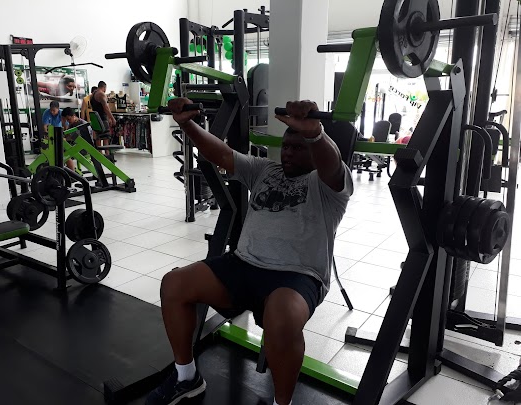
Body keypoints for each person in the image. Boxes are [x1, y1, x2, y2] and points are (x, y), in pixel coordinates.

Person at [146, 98, 353, 405]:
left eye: (298, 147)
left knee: (282, 317)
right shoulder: (264, 170)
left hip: (297, 277)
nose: (288, 152)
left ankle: (281, 403)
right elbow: (222, 154)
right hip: (243, 264)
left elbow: (331, 164)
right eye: (286, 146)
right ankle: (186, 377)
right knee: (174, 284)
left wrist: (315, 134)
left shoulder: (329, 186)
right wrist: (187, 124)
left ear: (313, 149)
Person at [90, 81, 116, 152]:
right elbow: (106, 107)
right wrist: (112, 118)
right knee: (105, 137)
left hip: (96, 119)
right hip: (102, 119)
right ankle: (107, 154)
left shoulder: (93, 94)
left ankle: (99, 154)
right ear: (104, 87)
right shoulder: (101, 94)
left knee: (98, 137)